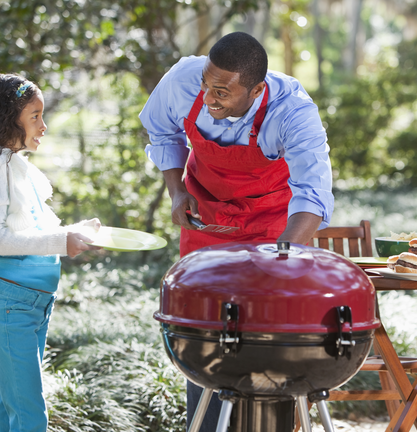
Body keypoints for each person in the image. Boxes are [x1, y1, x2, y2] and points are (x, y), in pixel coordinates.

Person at [139, 32, 334, 431]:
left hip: (272, 225)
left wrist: (285, 258)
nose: (210, 99)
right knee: (204, 329)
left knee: (268, 331)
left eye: (223, 93)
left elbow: (312, 195)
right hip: (206, 218)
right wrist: (177, 192)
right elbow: (162, 132)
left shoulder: (293, 111)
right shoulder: (181, 80)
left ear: (257, 89)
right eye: (207, 86)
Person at [0, 73, 101, 432]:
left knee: (13, 410)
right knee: (31, 417)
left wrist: (72, 233)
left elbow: (30, 231)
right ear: (7, 118)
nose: (44, 125)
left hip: (32, 304)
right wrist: (61, 242)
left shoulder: (14, 164)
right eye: (35, 116)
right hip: (10, 307)